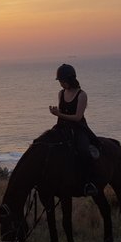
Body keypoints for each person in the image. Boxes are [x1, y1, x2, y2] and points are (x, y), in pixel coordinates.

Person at [49, 64, 99, 196]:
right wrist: (57, 112)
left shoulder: (82, 95)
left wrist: (58, 114)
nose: (60, 84)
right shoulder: (61, 93)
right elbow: (62, 111)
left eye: (62, 81)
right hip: (62, 127)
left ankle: (89, 182)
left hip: (78, 128)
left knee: (83, 150)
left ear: (69, 80)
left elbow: (77, 117)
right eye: (60, 81)